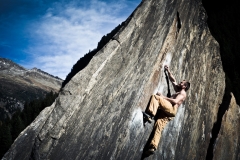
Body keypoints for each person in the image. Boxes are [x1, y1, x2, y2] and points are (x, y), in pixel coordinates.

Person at [143, 65, 190, 154]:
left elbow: (175, 100)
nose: (180, 82)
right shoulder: (179, 90)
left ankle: (150, 115)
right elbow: (173, 80)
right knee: (159, 126)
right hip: (171, 113)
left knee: (156, 97)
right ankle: (153, 147)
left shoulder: (182, 93)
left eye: (182, 83)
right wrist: (168, 71)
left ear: (184, 86)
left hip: (171, 109)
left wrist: (163, 97)